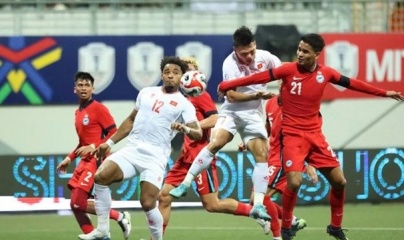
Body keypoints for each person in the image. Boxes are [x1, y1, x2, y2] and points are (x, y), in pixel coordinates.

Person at [217, 33, 404, 240]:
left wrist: (383, 92)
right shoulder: (288, 70)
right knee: (294, 182)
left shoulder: (327, 73)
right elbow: (258, 77)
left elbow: (353, 83)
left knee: (340, 182)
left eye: (305, 51)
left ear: (317, 54)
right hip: (293, 137)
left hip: (316, 136)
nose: (300, 54)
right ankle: (287, 228)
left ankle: (335, 226)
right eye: (298, 49)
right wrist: (226, 85)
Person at [78, 56, 202, 240]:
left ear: (182, 77)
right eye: (167, 72)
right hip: (132, 149)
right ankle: (103, 229)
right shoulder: (146, 92)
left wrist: (183, 128)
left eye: (175, 73)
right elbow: (130, 120)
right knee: (100, 177)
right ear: (161, 75)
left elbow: (198, 133)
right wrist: (109, 142)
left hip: (155, 157)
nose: (170, 76)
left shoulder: (184, 104)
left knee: (147, 202)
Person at [169, 26, 280, 221]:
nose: (250, 56)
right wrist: (256, 94)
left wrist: (283, 94)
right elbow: (231, 95)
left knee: (262, 155)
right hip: (232, 111)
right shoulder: (229, 63)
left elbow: (282, 75)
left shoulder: (266, 57)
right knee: (216, 143)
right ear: (235, 49)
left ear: (255, 45)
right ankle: (185, 184)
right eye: (245, 53)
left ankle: (259, 206)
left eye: (252, 51)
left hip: (253, 115)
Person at [158, 57, 269, 236]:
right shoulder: (178, 98)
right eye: (185, 71)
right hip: (185, 158)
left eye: (192, 70)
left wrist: (191, 127)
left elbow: (215, 118)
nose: (188, 75)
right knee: (163, 196)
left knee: (212, 205)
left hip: (200, 157)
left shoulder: (200, 95)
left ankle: (253, 212)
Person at [56, 71, 131, 239]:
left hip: (97, 160)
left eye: (87, 85)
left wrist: (93, 146)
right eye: (80, 85)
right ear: (74, 89)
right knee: (75, 205)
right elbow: (82, 143)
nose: (83, 88)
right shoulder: (78, 112)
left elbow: (114, 132)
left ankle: (120, 216)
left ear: (93, 89)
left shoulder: (98, 108)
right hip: (84, 160)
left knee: (78, 202)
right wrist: (69, 158)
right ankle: (100, 237)